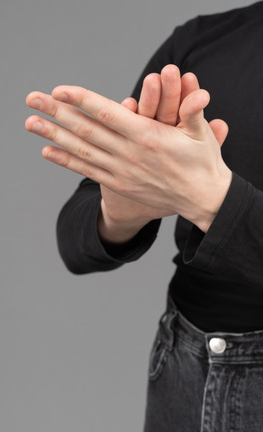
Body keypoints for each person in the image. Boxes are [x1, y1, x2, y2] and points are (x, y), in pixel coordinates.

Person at [25, 1, 263, 430]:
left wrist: (215, 203)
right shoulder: (199, 42)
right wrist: (119, 212)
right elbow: (75, 244)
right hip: (184, 370)